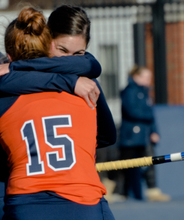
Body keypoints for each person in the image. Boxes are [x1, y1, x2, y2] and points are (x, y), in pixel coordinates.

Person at [0, 6, 115, 219]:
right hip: (77, 201)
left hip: (27, 199)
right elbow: (107, 136)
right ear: (46, 40)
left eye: (78, 55)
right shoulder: (85, 85)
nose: (68, 62)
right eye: (62, 51)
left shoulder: (85, 84)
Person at [117, 65, 170, 201]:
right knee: (125, 165)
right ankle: (121, 193)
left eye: (149, 77)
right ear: (136, 77)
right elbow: (133, 111)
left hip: (144, 136)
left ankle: (153, 191)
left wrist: (154, 132)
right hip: (130, 136)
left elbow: (151, 116)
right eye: (146, 77)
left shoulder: (146, 92)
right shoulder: (129, 91)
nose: (149, 80)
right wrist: (148, 114)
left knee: (150, 162)